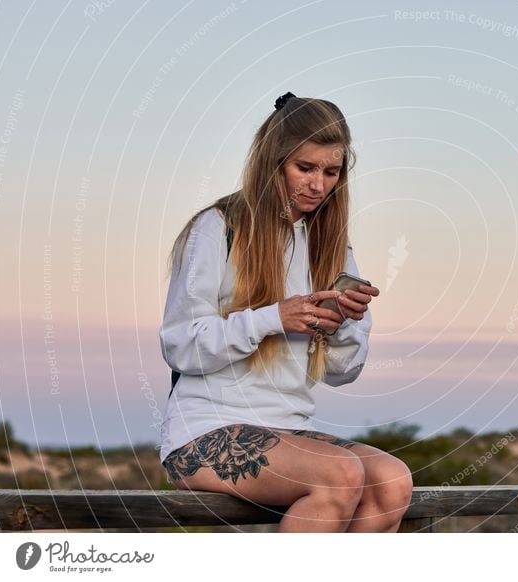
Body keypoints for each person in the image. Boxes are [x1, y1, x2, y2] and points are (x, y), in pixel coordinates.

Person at [157, 92, 413, 532]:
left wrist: (345, 325)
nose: (318, 185)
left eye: (331, 172)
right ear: (271, 162)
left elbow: (341, 372)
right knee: (340, 477)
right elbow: (181, 347)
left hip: (289, 434)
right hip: (202, 431)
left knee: (392, 481)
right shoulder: (218, 228)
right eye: (305, 168)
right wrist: (273, 317)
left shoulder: (331, 247)